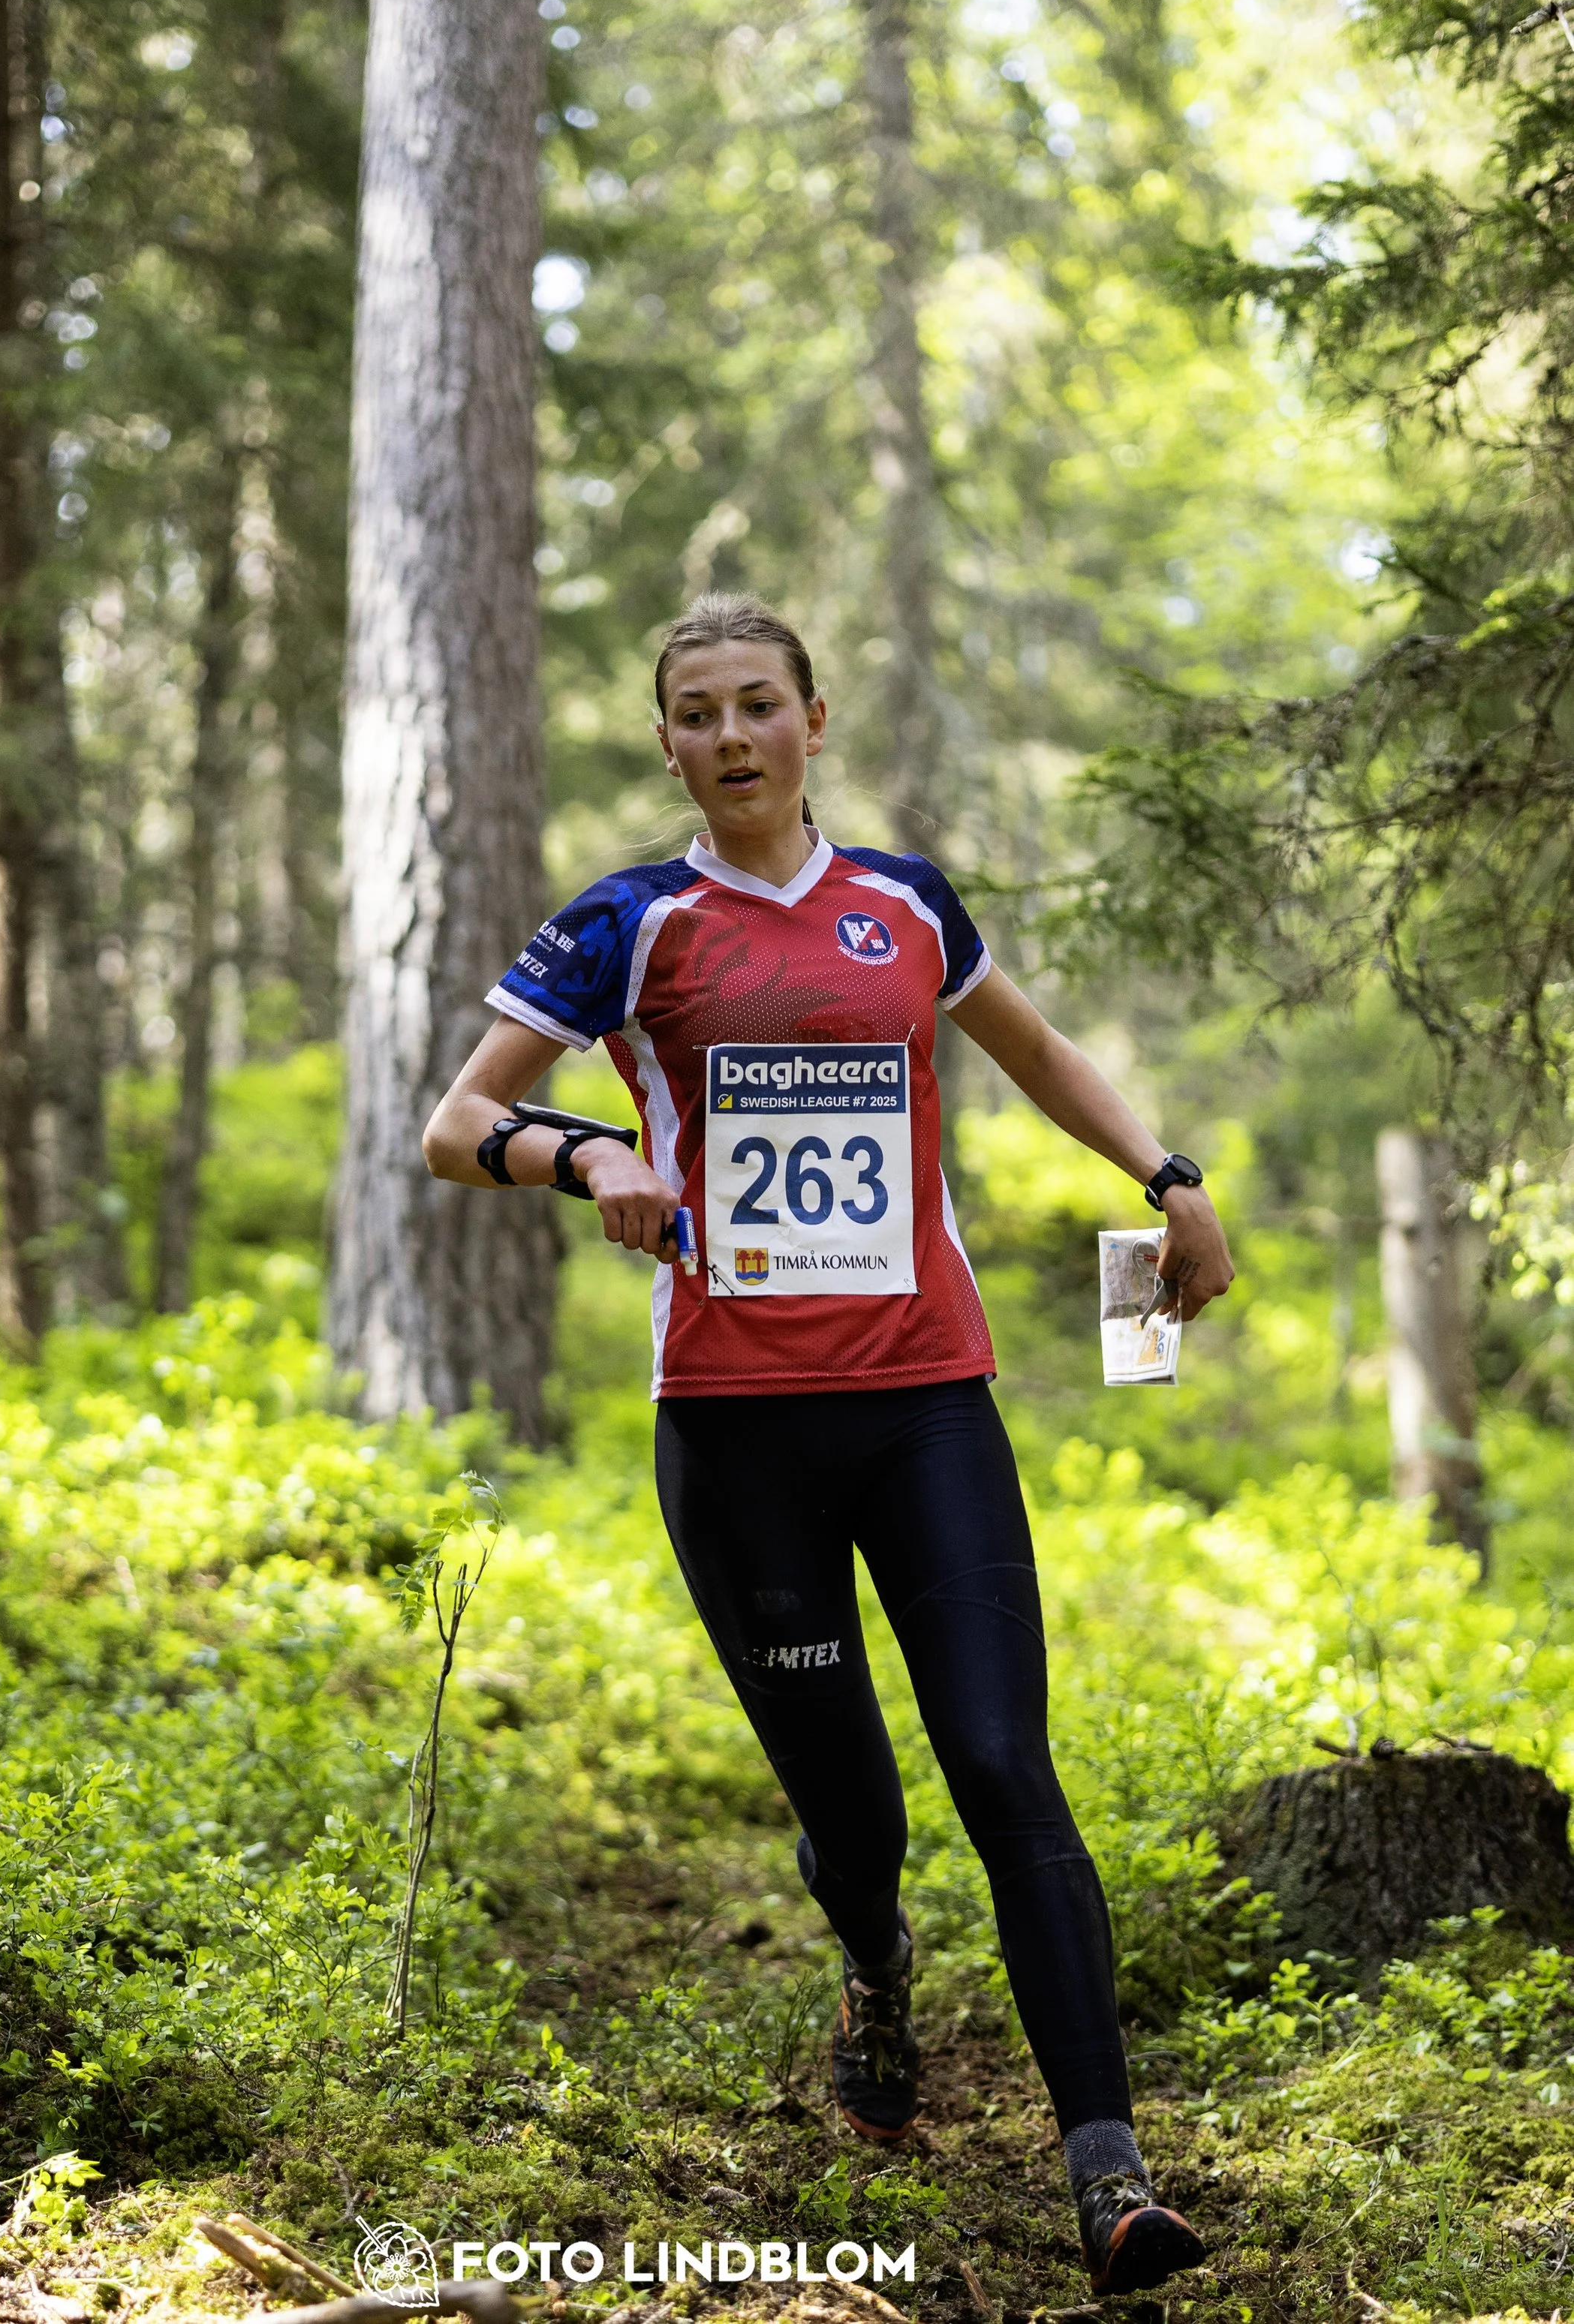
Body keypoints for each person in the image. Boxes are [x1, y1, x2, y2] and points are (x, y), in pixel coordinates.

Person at [421, 592, 1233, 2299]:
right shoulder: (624, 923)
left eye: (756, 707)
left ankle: (1109, 2174)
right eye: (696, 713)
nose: (728, 737)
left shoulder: (903, 905)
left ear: (810, 721)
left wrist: (1167, 1179)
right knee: (854, 1814)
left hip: (924, 1396)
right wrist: (583, 1160)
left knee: (1005, 1770)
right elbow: (456, 1120)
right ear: (666, 742)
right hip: (732, 1428)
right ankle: (871, 1957)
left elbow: (1033, 1052)